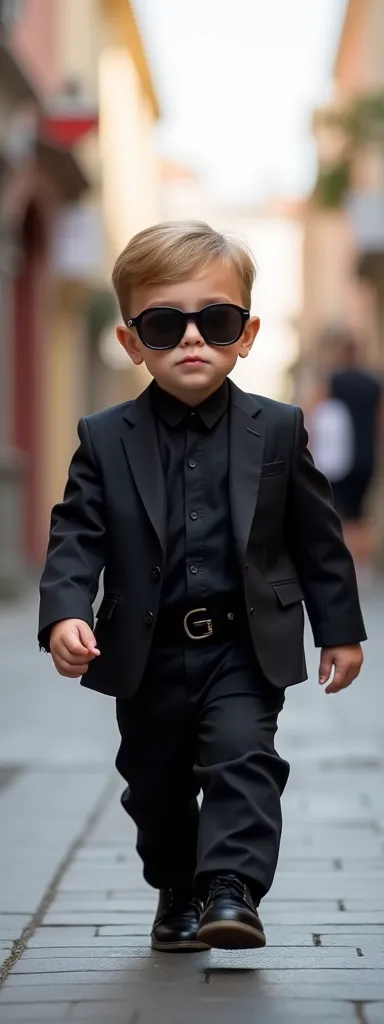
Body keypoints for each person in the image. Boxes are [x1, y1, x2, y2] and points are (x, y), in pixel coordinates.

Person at [38, 221, 366, 953]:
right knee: (154, 788)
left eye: (213, 321)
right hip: (145, 652)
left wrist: (340, 628)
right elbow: (76, 536)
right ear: (132, 342)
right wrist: (64, 614)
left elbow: (318, 536)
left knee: (245, 759)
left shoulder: (278, 429)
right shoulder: (104, 437)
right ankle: (178, 887)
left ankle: (232, 890)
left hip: (243, 646)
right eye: (164, 323)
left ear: (245, 334)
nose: (191, 339)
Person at [328, 332, 383, 573]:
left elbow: (315, 410)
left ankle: (348, 564)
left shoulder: (335, 380)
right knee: (360, 511)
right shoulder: (373, 383)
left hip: (340, 457)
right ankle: (362, 565)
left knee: (341, 510)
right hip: (366, 456)